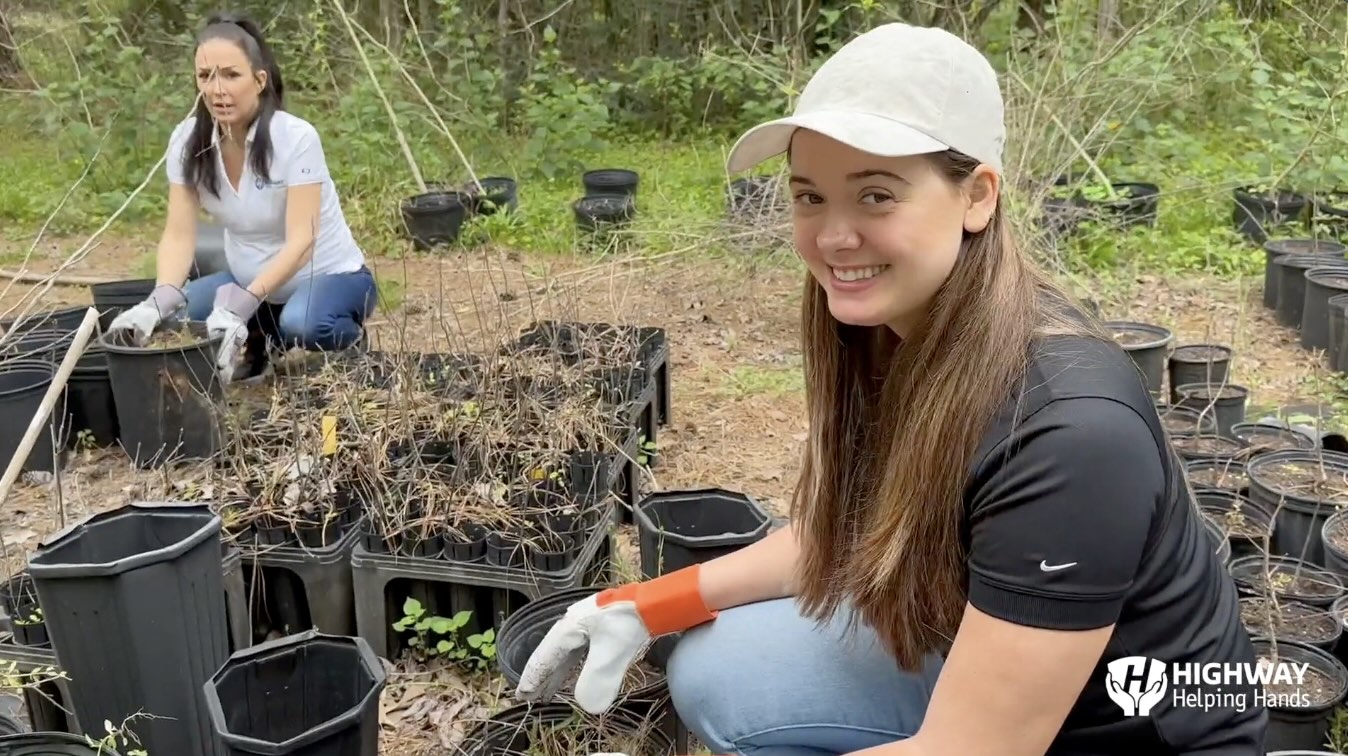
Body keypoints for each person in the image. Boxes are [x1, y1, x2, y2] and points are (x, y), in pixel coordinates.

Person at [515, 23, 1267, 756]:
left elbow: (976, 748)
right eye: (810, 196)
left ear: (977, 196)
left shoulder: (1070, 435)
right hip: (991, 655)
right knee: (722, 671)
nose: (833, 236)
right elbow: (842, 533)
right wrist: (650, 603)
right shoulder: (896, 329)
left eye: (876, 196)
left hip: (1123, 732)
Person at [108, 12, 377, 382]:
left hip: (329, 277)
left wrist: (242, 304)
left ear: (259, 80)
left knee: (304, 323)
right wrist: (159, 299)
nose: (217, 89)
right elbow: (179, 235)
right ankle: (259, 341)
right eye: (206, 76)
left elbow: (303, 242)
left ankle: (347, 340)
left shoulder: (295, 139)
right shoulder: (187, 140)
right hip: (250, 284)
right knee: (178, 318)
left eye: (231, 75)